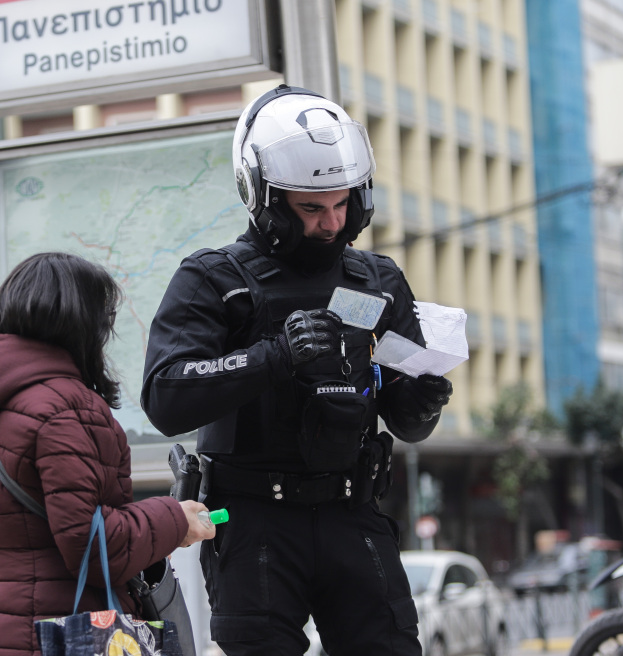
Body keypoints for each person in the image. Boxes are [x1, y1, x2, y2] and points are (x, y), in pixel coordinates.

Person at [141, 85, 454, 655]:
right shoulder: (214, 279)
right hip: (255, 520)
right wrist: (274, 356)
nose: (331, 223)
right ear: (262, 196)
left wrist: (421, 401)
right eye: (311, 208)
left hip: (353, 511)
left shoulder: (378, 280)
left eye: (342, 204)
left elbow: (407, 425)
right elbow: (164, 395)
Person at [0, 251, 216, 656]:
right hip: (60, 636)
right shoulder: (64, 406)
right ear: (83, 324)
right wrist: (175, 519)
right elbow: (97, 545)